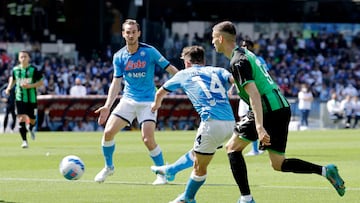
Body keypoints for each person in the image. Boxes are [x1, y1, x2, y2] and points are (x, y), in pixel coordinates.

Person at [211, 21, 345, 202]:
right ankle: (325, 170)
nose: (212, 42)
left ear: (220, 38)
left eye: (213, 38)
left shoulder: (237, 61)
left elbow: (255, 95)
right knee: (278, 164)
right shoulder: (245, 54)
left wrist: (259, 126)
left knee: (232, 148)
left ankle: (246, 199)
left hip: (268, 110)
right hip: (280, 108)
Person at [93, 19, 179, 185]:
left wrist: (173, 86)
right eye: (128, 32)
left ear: (139, 33)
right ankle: (108, 167)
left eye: (134, 32)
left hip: (148, 101)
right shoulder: (119, 56)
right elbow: (116, 82)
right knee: (108, 132)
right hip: (128, 99)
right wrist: (107, 106)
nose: (131, 35)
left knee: (147, 139)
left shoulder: (150, 51)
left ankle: (162, 173)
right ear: (123, 34)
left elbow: (171, 70)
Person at [151, 45, 235, 203]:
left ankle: (187, 198)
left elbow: (160, 92)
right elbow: (235, 78)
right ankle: (171, 170)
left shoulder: (184, 74)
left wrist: (155, 106)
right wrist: (233, 88)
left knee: (199, 165)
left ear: (187, 62)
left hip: (212, 124)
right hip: (230, 124)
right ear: (203, 60)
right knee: (199, 153)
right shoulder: (217, 70)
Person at [5, 50, 44, 148]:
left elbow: (40, 82)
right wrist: (9, 87)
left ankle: (31, 128)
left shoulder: (34, 70)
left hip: (32, 99)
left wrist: (30, 86)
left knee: (32, 120)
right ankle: (24, 141)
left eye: (25, 56)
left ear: (29, 58)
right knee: (21, 118)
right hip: (19, 98)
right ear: (19, 59)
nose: (23, 58)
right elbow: (13, 79)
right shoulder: (15, 69)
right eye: (21, 57)